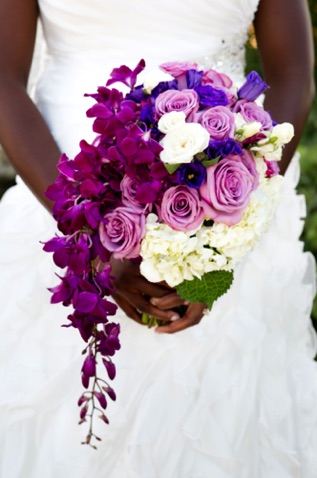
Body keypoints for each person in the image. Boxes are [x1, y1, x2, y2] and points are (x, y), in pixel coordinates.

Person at [0, 0, 316, 477]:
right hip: (59, 202)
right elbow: (2, 78)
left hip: (232, 212)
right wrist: (91, 234)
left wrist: (223, 230)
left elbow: (293, 73)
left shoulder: (231, 223)